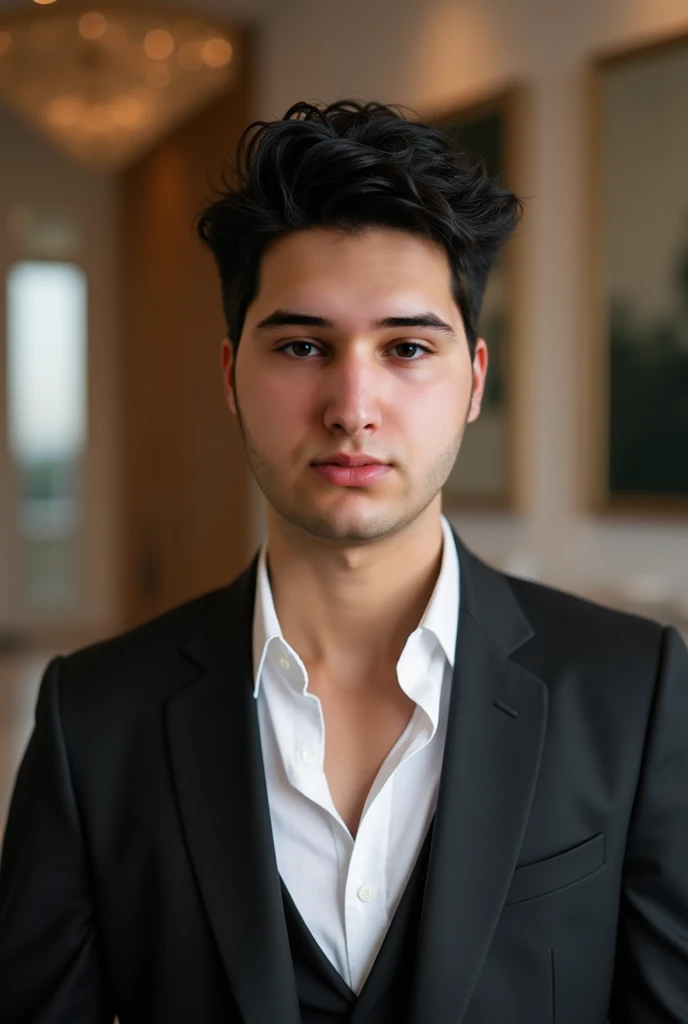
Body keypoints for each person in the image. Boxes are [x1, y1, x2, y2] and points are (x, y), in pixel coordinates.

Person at [0, 99, 686, 1024]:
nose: (352, 404)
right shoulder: (93, 721)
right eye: (301, 346)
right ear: (231, 376)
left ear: (475, 381)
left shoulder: (633, 693)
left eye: (406, 347)